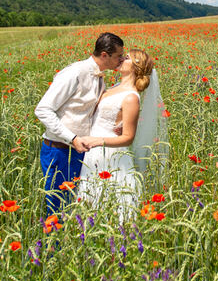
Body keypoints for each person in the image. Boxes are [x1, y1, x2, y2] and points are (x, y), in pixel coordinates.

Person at [34, 32, 124, 213]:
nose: (121, 60)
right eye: (118, 56)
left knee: (75, 208)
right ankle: (54, 242)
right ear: (104, 55)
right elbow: (42, 109)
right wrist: (72, 137)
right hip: (59, 151)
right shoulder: (74, 73)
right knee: (58, 209)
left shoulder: (100, 77)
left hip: (81, 152)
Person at [75, 48, 166, 218]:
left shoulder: (131, 97)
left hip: (109, 154)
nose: (121, 59)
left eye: (127, 58)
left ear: (135, 66)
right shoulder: (114, 86)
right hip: (92, 151)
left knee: (112, 206)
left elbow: (127, 138)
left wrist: (96, 141)